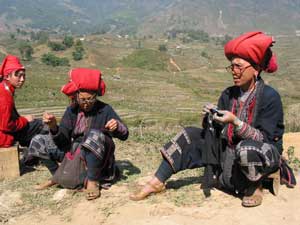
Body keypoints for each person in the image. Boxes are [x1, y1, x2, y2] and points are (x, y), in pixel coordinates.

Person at [130, 31, 284, 207]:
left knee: (246, 148)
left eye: (238, 67)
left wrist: (236, 122)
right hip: (229, 150)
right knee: (190, 135)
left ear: (255, 69)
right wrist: (211, 117)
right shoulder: (228, 94)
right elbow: (216, 133)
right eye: (231, 67)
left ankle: (254, 185)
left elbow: (265, 138)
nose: (233, 71)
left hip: (261, 152)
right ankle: (157, 181)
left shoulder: (270, 97)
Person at [28, 68, 129, 200]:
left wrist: (116, 126)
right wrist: (53, 126)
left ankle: (92, 181)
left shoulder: (105, 109)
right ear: (76, 96)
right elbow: (62, 141)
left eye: (90, 99)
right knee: (38, 140)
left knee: (93, 135)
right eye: (82, 100)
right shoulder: (71, 111)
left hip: (97, 155)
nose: (86, 103)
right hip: (75, 152)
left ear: (96, 96)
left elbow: (125, 134)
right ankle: (57, 175)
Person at [0, 55, 46, 148]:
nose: (22, 80)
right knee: (41, 125)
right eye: (18, 76)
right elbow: (6, 125)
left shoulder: (5, 88)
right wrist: (24, 120)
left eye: (23, 76)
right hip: (3, 136)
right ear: (8, 76)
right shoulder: (4, 96)